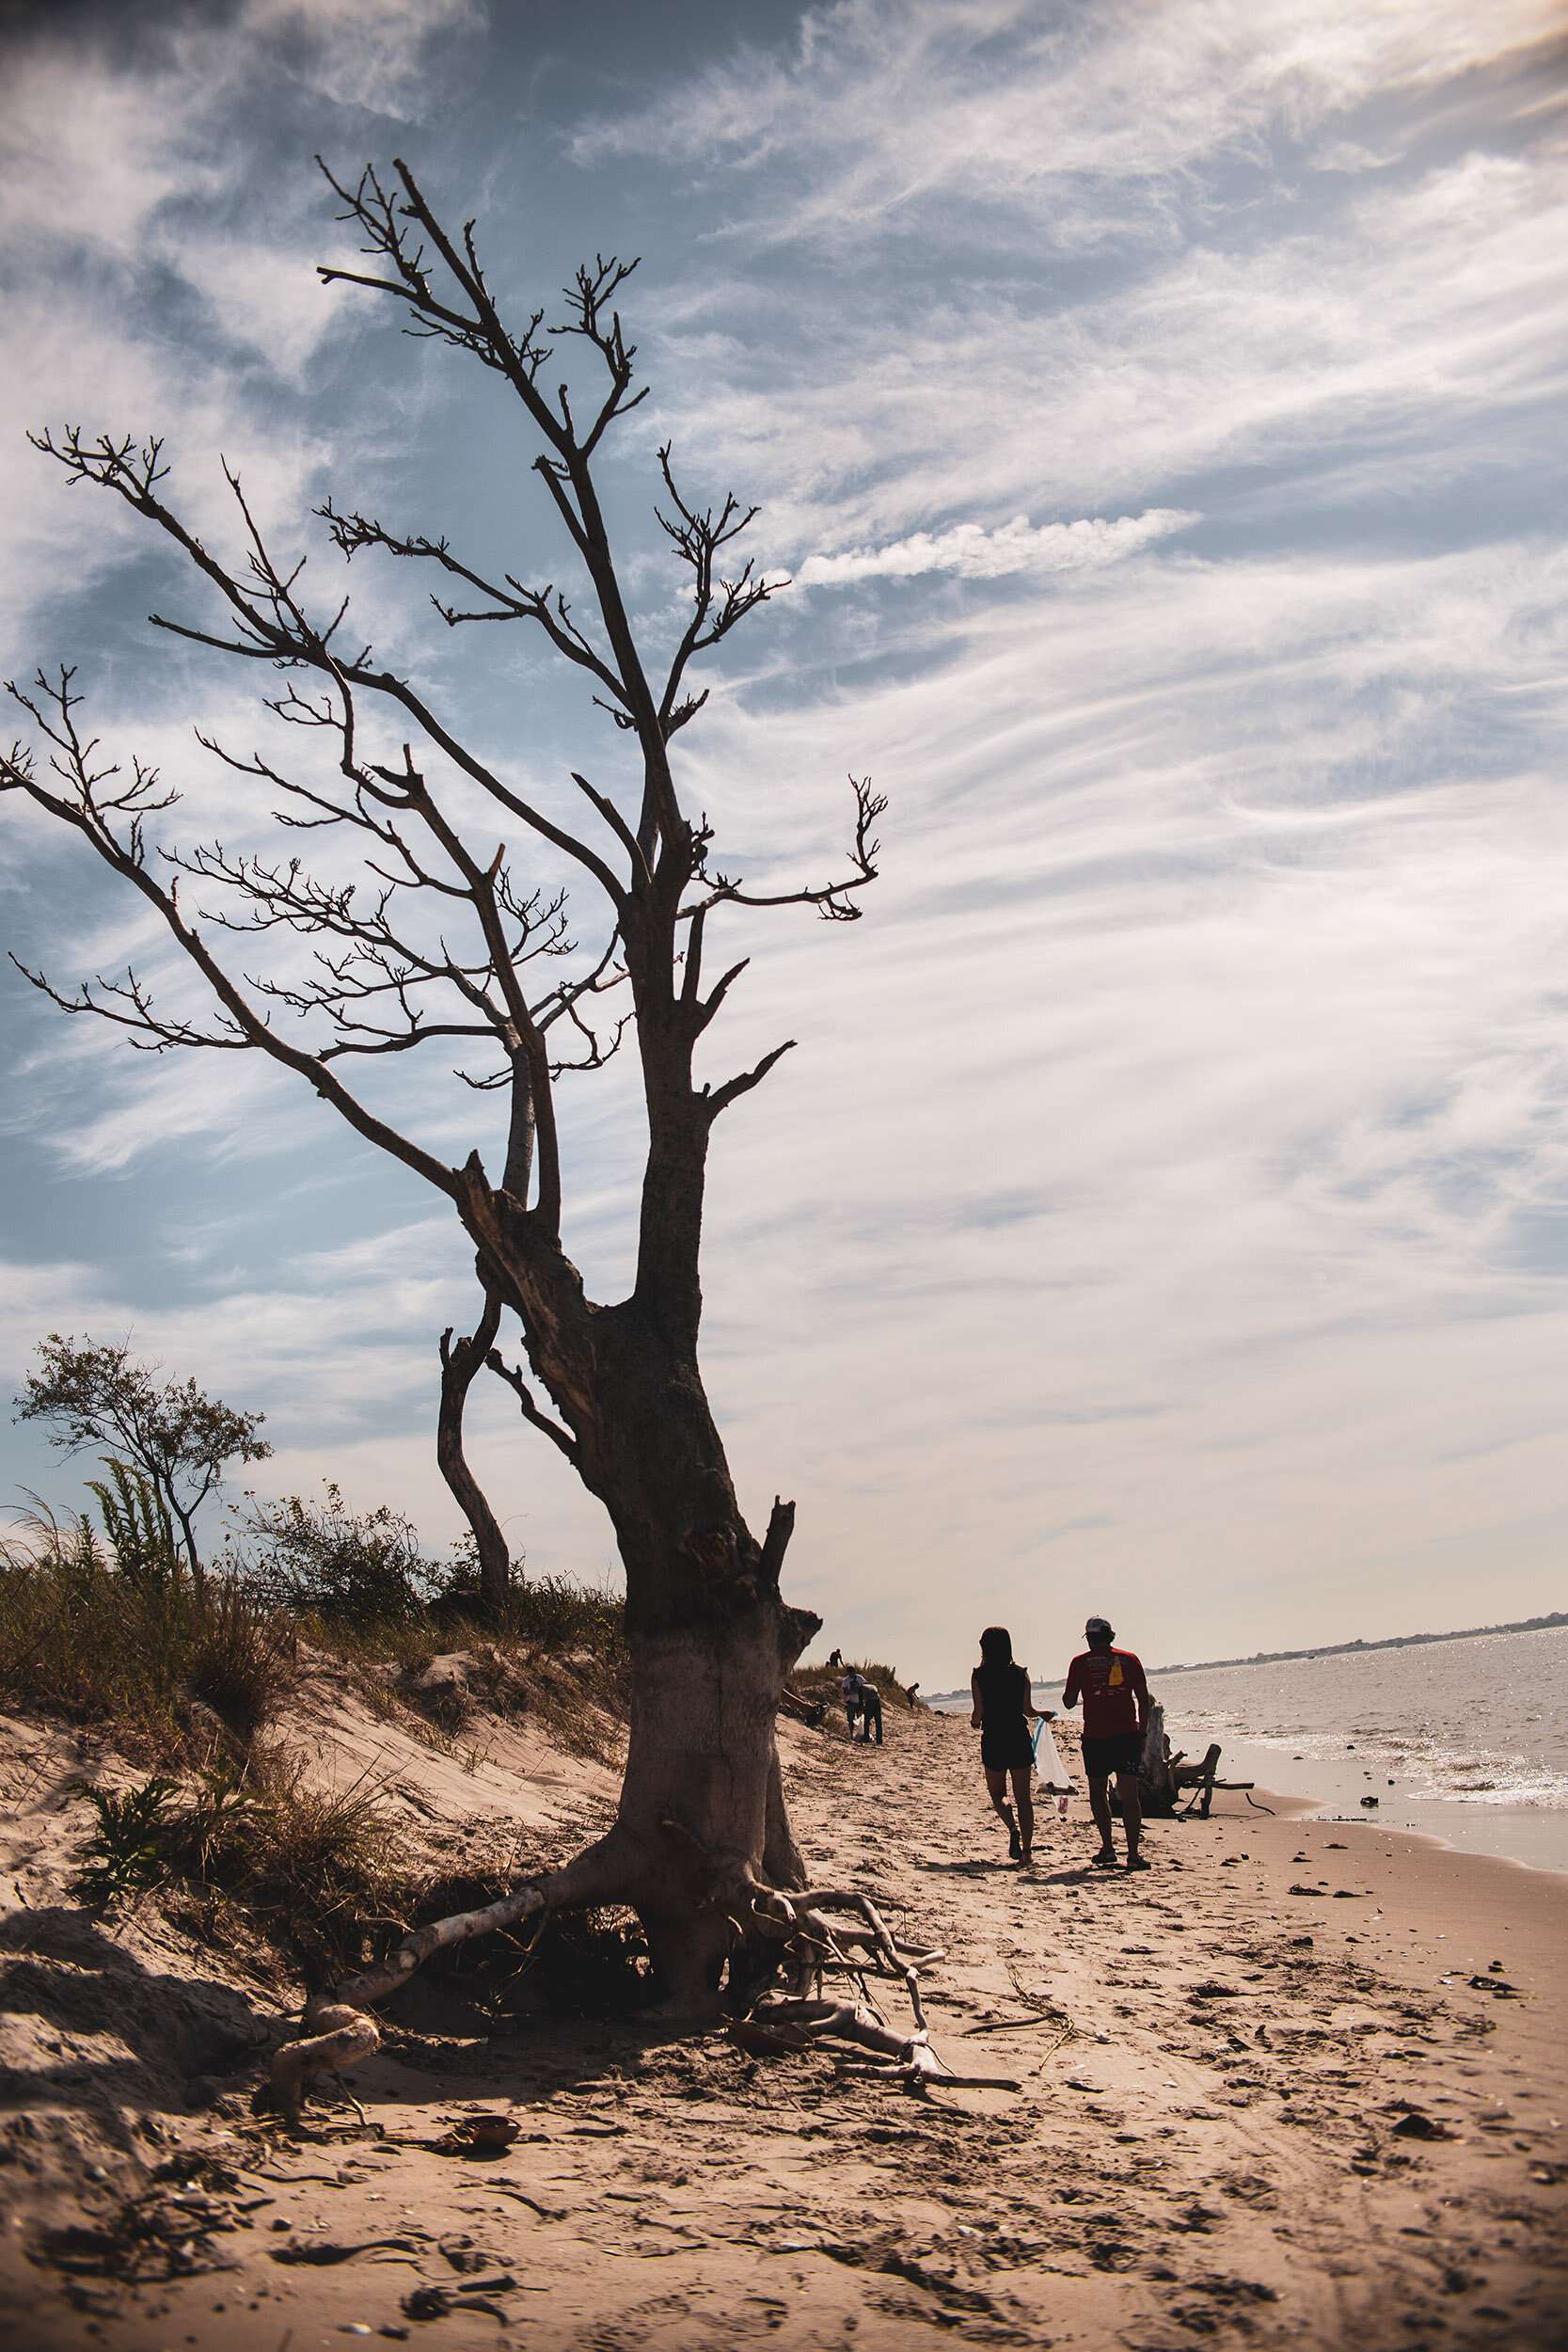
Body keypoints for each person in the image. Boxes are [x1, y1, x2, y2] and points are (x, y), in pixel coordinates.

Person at [1062, 1616, 1151, 1871]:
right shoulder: (1130, 1660)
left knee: (1098, 1793)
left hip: (1096, 1738)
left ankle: (1108, 1848)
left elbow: (1069, 1702)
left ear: (1089, 1639)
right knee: (1130, 1795)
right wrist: (1142, 1734)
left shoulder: (1079, 1663)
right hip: (1126, 1736)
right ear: (1111, 1636)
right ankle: (1133, 1855)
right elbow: (1144, 1701)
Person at [970, 1626, 1047, 1865]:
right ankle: (1027, 1853)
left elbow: (978, 1714)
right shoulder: (1020, 1673)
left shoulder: (978, 1675)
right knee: (1023, 1797)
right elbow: (1028, 1710)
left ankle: (1012, 1828)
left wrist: (974, 1722)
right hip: (1018, 1736)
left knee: (998, 1794)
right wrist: (1044, 1713)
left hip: (993, 1737)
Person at [855, 1673, 883, 1745]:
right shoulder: (870, 1685)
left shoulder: (860, 1689)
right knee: (878, 1721)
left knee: (866, 1720)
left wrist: (860, 1713)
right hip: (877, 1701)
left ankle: (866, 1738)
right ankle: (879, 1739)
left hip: (870, 1701)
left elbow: (860, 1702)